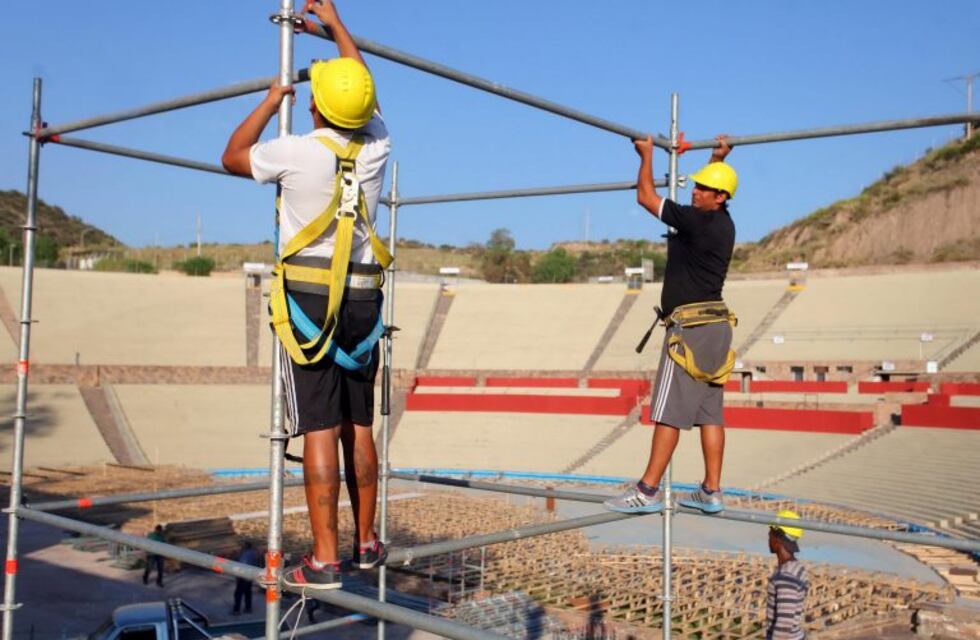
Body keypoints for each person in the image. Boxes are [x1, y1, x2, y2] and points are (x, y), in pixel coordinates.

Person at [222, 0, 390, 590]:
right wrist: (339, 27)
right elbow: (361, 88)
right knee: (359, 426)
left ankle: (324, 559)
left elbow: (232, 157)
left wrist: (271, 102)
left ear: (314, 103)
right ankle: (367, 542)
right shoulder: (375, 148)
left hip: (311, 301)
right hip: (364, 301)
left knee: (320, 427)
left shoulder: (294, 150)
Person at [605, 134, 738, 514]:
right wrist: (718, 158)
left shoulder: (697, 220)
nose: (696, 191)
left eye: (704, 188)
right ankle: (711, 490)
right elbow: (719, 184)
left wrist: (645, 155)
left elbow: (645, 197)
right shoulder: (725, 223)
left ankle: (646, 491)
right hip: (716, 329)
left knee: (667, 411)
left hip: (690, 330)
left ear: (720, 198)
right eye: (696, 185)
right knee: (710, 412)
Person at [766, 510, 809, 640]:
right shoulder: (797, 567)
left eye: (770, 535)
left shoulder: (786, 576)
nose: (768, 539)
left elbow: (784, 624)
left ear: (777, 539)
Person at [232, 541, 263, 615]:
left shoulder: (244, 554)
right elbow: (258, 562)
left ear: (245, 547)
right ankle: (248, 608)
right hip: (250, 574)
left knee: (238, 593)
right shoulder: (254, 553)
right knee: (248, 592)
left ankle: (236, 609)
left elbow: (241, 563)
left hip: (243, 575)